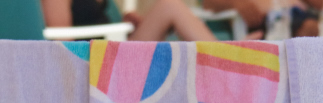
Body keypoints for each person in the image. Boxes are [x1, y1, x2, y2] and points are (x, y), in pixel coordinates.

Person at [43, 0, 218, 42]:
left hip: (113, 45)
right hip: (95, 61)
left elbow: (93, 19)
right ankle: (231, 61)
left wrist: (123, 23)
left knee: (169, 5)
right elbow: (61, 41)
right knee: (169, 6)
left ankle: (231, 59)